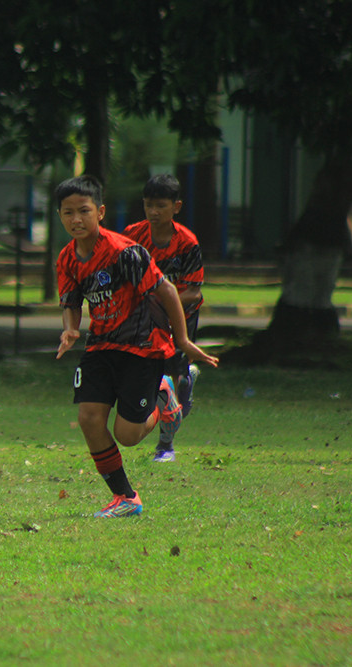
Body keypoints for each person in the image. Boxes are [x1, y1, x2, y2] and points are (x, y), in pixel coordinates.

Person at [54, 175, 217, 517]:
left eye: (83, 211)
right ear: (60, 216)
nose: (76, 219)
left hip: (142, 347)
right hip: (100, 346)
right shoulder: (67, 258)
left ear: (99, 212)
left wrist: (183, 340)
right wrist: (70, 330)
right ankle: (125, 497)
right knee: (89, 417)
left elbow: (169, 291)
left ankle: (164, 400)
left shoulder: (124, 252)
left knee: (127, 435)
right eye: (68, 213)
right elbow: (70, 300)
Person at [123, 174, 205, 462]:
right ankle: (164, 445)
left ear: (176, 207)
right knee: (153, 375)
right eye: (148, 206)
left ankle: (167, 442)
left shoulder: (187, 243)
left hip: (182, 317)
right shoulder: (132, 236)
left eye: (160, 205)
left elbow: (193, 292)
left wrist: (163, 303)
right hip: (145, 318)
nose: (153, 212)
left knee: (178, 382)